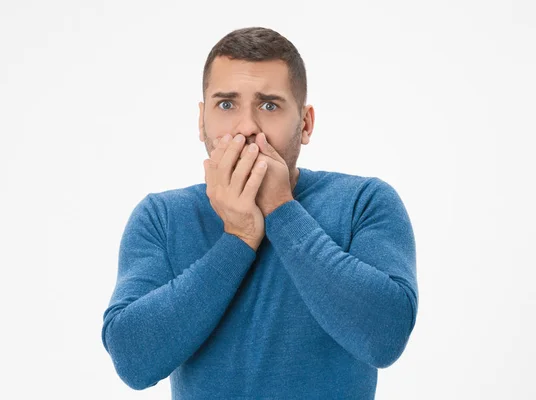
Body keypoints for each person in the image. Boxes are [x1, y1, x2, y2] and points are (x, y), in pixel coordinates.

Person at [101, 26, 419, 399]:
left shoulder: (364, 202)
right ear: (201, 120)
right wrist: (238, 238)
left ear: (305, 123)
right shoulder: (162, 217)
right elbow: (133, 361)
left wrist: (281, 210)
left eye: (269, 105)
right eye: (226, 104)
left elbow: (385, 337)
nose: (248, 127)